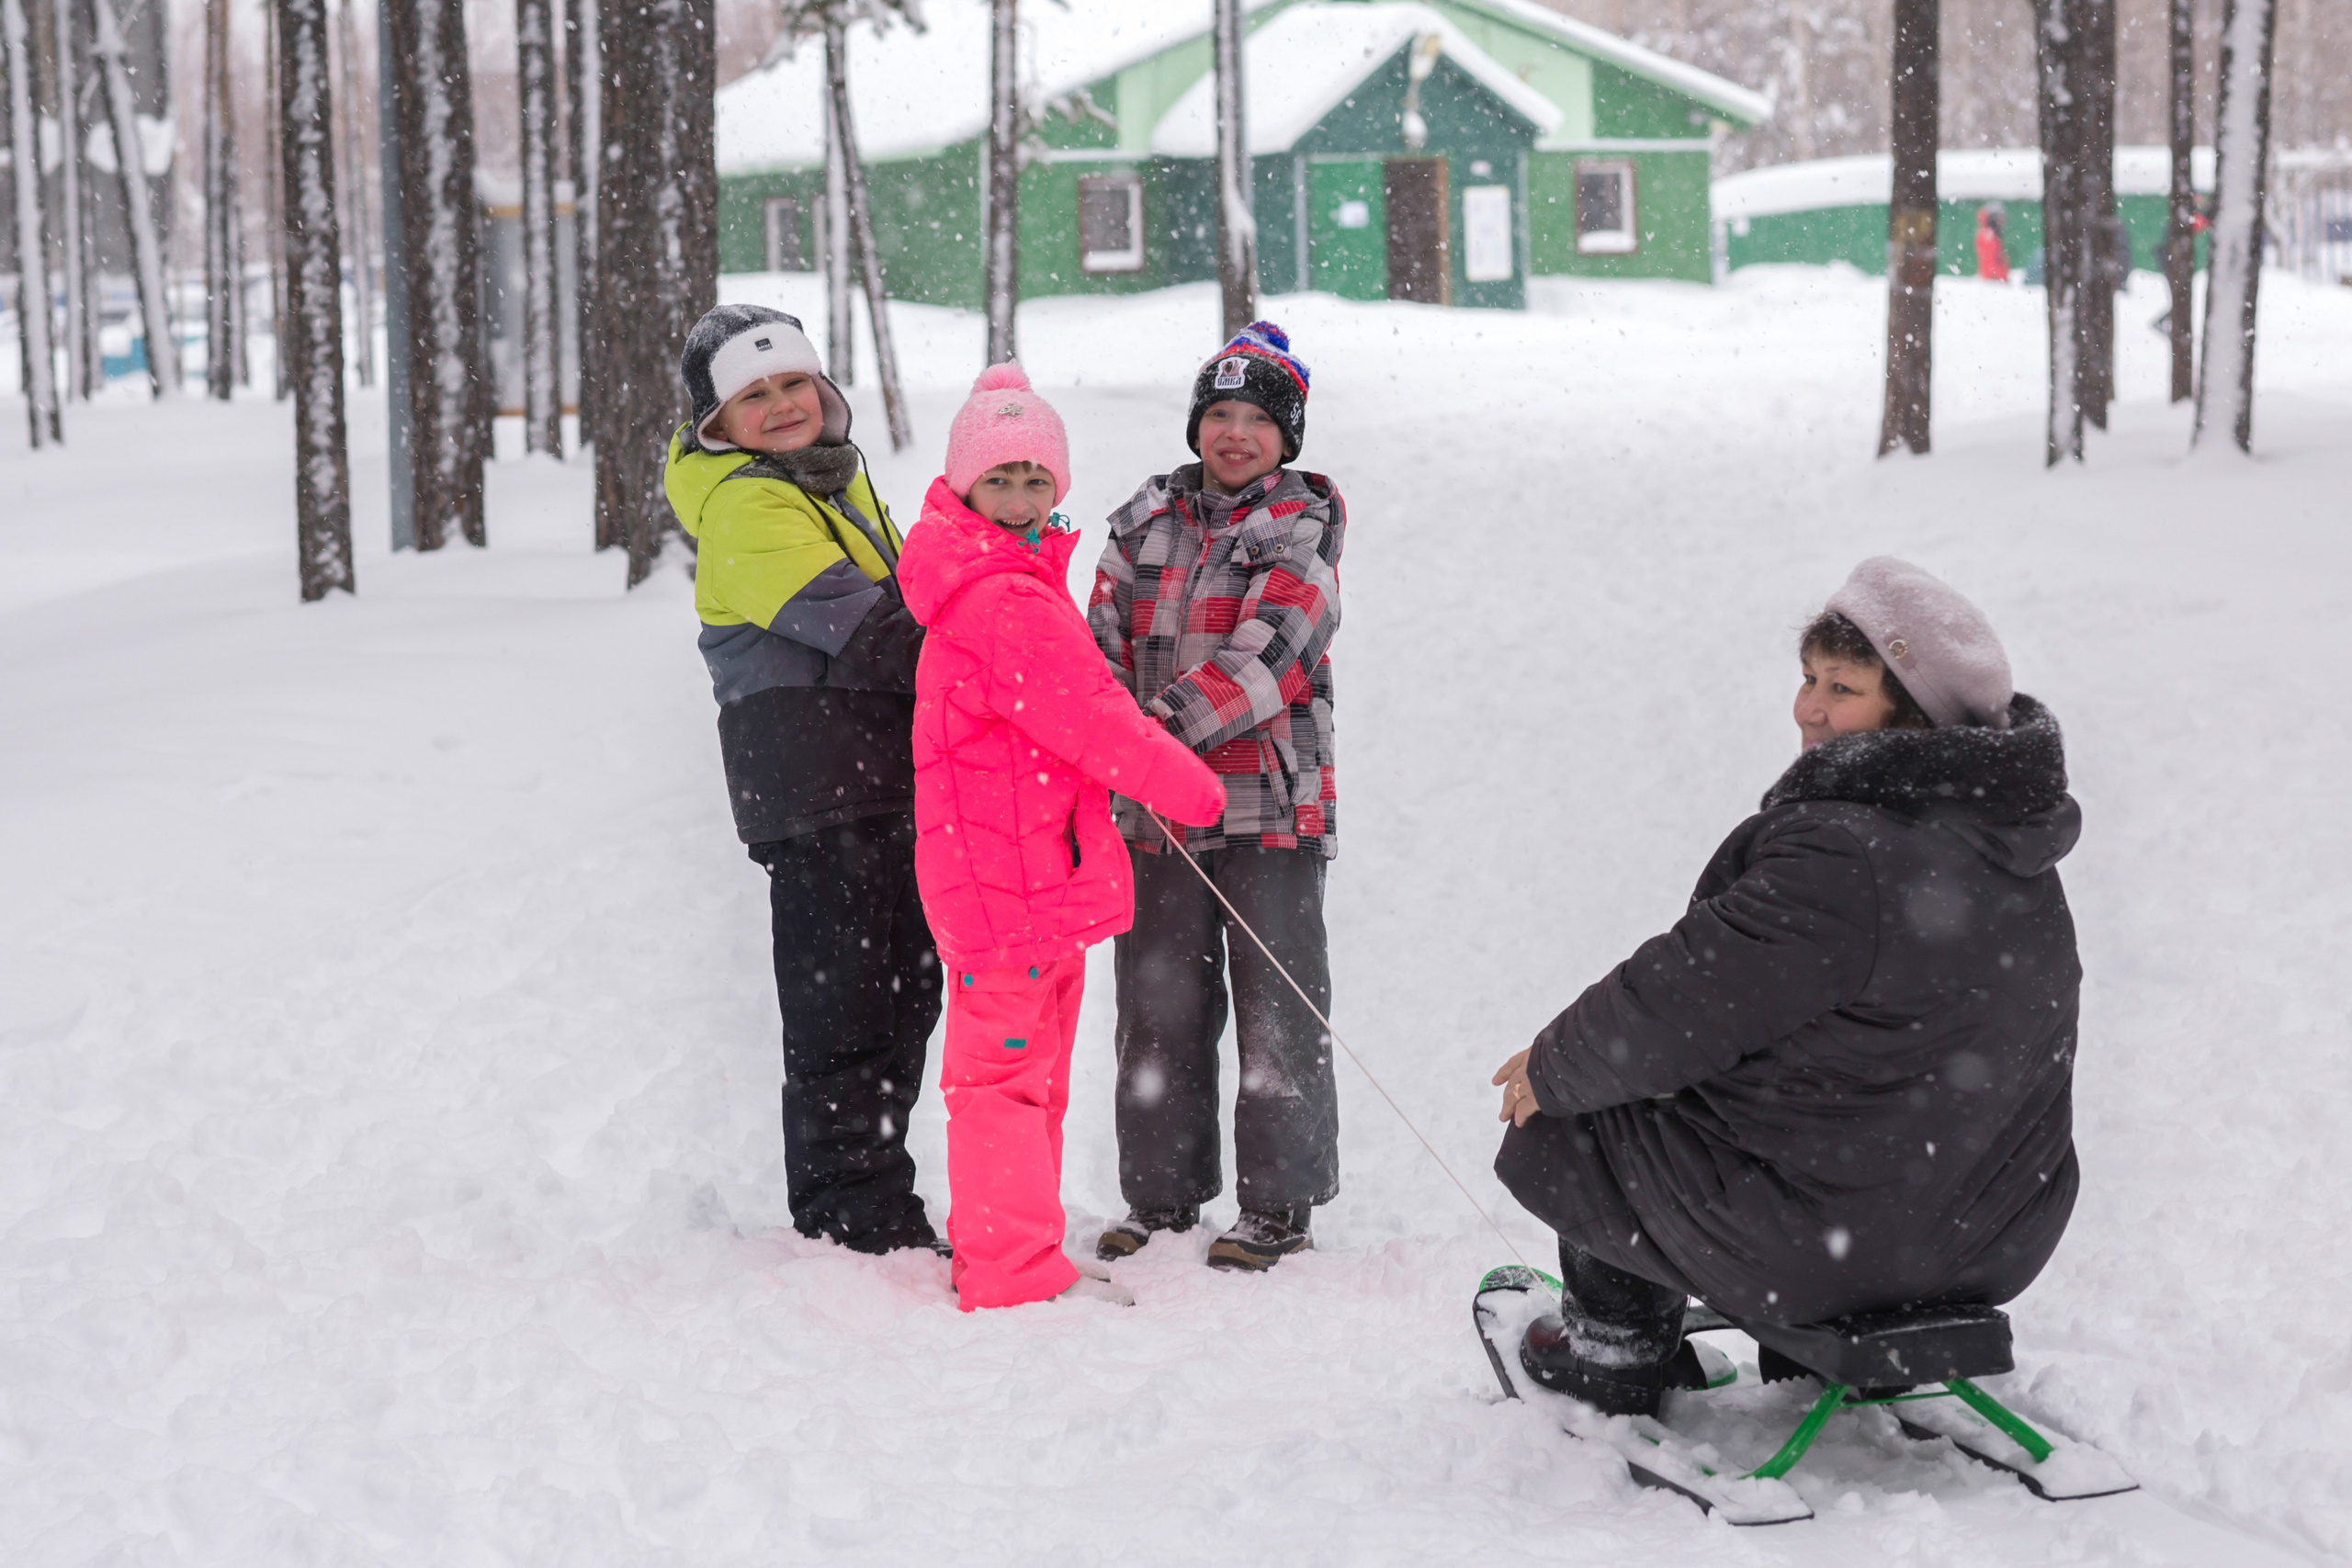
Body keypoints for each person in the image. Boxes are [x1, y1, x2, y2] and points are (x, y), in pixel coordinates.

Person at [1489, 558, 2082, 1417]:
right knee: (1842, 1081)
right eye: (1808, 677)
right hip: (1998, 1233)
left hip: (1841, 1252)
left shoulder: (1844, 852)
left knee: (1588, 1106)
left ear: (1912, 714)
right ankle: (1793, 1345)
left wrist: (1553, 1067)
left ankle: (1614, 1351)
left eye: (1843, 687)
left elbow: (1673, 1006)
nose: (1808, 707)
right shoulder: (2011, 845)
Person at [896, 364, 1226, 1309]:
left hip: (1016, 876)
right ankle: (1007, 1268)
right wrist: (1193, 791)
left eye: (1036, 479)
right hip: (1008, 886)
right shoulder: (1004, 600)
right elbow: (1098, 723)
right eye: (999, 478)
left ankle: (1015, 1245)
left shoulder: (999, 580)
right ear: (962, 486)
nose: (1019, 495)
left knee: (1024, 1078)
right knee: (1006, 1084)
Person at [664, 303, 941, 1256]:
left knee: (906, 992)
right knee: (849, 1006)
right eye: (753, 394)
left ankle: (875, 1195)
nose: (781, 405)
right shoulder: (748, 504)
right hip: (821, 787)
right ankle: (846, 1210)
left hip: (879, 781)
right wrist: (1020, 668)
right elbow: (882, 637)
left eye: (793, 384)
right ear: (715, 421)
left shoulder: (829, 483)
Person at [1087, 321, 1347, 1272]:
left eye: (1257, 420)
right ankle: (1160, 1196)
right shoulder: (1139, 523)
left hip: (1267, 812)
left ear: (1288, 438)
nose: (1235, 434)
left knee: (1278, 1011)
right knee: (1157, 1007)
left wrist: (1145, 736)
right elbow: (1097, 644)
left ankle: (1278, 1203)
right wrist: (1115, 735)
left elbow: (1270, 656)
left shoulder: (1301, 529)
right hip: (1155, 819)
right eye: (1220, 414)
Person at [1974, 204, 2010, 282]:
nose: (2002, 222)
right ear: (1993, 219)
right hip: (1993, 283)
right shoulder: (1988, 236)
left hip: (1995, 281)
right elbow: (1990, 263)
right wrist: (1998, 278)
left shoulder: (1990, 235)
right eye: (2000, 218)